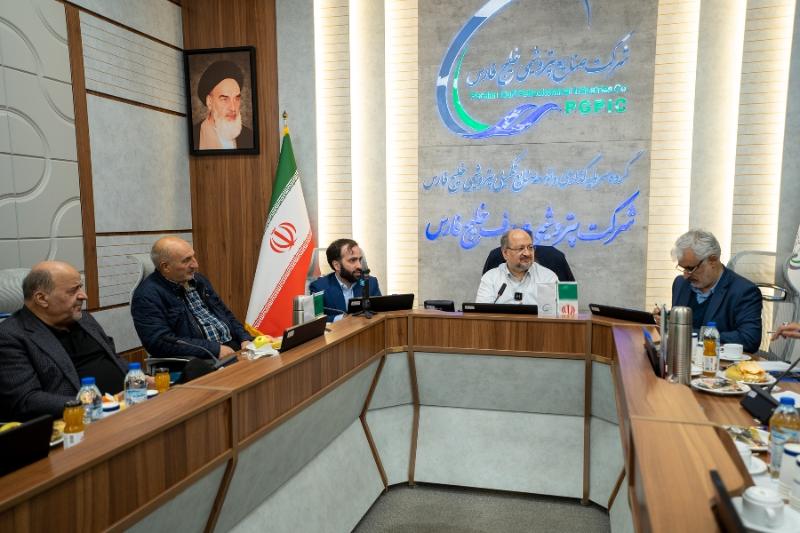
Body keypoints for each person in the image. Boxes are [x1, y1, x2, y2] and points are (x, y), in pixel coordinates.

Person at [0, 261, 128, 421]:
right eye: (73, 291)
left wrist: (140, 379)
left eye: (80, 287)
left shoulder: (84, 319)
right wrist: (91, 404)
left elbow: (113, 357)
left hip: (127, 405)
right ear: (42, 299)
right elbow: (26, 400)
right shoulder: (10, 336)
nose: (84, 296)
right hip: (78, 421)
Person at [131, 236, 251, 360]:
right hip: (200, 359)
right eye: (186, 260)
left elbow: (225, 313)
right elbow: (159, 342)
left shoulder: (199, 280)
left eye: (193, 257)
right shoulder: (146, 296)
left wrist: (244, 338)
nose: (195, 265)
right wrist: (215, 349)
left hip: (232, 347)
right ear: (166, 267)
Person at [668, 229, 762, 353]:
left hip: (718, 362)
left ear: (712, 260)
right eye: (683, 268)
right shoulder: (680, 284)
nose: (686, 276)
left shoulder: (744, 291)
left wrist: (689, 333)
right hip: (681, 358)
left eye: (690, 268)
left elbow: (749, 339)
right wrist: (666, 320)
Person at [476, 229, 558, 305]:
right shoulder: (490, 278)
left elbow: (551, 313)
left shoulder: (547, 277)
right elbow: (482, 313)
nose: (527, 253)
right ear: (505, 253)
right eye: (520, 248)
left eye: (530, 247)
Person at [309, 238, 381, 322]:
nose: (359, 266)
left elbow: (381, 312)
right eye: (352, 260)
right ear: (337, 265)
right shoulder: (319, 287)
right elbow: (315, 320)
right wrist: (340, 319)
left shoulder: (370, 282)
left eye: (359, 260)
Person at [193, 60, 254, 150]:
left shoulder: (249, 137)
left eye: (237, 99)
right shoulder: (194, 136)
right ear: (209, 102)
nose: (233, 108)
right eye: (225, 99)